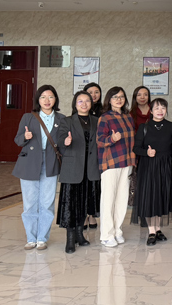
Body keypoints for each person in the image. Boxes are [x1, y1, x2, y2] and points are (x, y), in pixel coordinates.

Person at [13, 85, 65, 250]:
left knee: (47, 202)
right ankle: (31, 238)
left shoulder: (61, 119)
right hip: (29, 163)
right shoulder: (28, 117)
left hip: (50, 163)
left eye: (50, 97)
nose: (47, 100)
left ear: (55, 99)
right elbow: (17, 139)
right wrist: (25, 136)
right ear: (38, 100)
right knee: (29, 203)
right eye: (43, 97)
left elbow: (63, 144)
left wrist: (67, 142)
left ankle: (42, 238)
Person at [55, 91, 99, 253]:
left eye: (87, 101)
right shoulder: (67, 121)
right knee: (71, 205)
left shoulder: (96, 121)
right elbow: (60, 140)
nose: (84, 104)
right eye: (80, 101)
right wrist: (65, 141)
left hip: (91, 168)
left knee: (85, 203)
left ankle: (80, 235)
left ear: (91, 104)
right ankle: (70, 239)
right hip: (73, 169)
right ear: (75, 104)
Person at [131, 98, 172, 246]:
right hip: (148, 166)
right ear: (151, 111)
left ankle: (158, 229)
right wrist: (146, 152)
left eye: (163, 107)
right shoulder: (144, 127)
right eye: (157, 108)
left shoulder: (171, 126)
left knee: (161, 197)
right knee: (150, 197)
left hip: (165, 166)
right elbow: (136, 148)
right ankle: (151, 231)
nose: (160, 111)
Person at [96, 87, 136, 248]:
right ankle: (106, 235)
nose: (119, 100)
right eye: (115, 97)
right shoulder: (105, 117)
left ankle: (117, 230)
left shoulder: (128, 117)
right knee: (108, 199)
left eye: (121, 96)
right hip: (111, 163)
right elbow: (99, 140)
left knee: (122, 199)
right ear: (109, 100)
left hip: (127, 162)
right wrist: (111, 139)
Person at [83, 82, 103, 230]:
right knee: (84, 185)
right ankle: (84, 214)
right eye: (90, 92)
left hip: (99, 154)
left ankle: (92, 214)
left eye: (97, 92)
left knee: (95, 186)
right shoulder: (81, 110)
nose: (94, 95)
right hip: (83, 154)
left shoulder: (104, 111)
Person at [128, 86, 151, 206]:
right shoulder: (130, 114)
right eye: (139, 95)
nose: (142, 97)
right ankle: (140, 206)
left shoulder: (155, 110)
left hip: (153, 150)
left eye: (145, 94)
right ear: (135, 97)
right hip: (137, 151)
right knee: (139, 180)